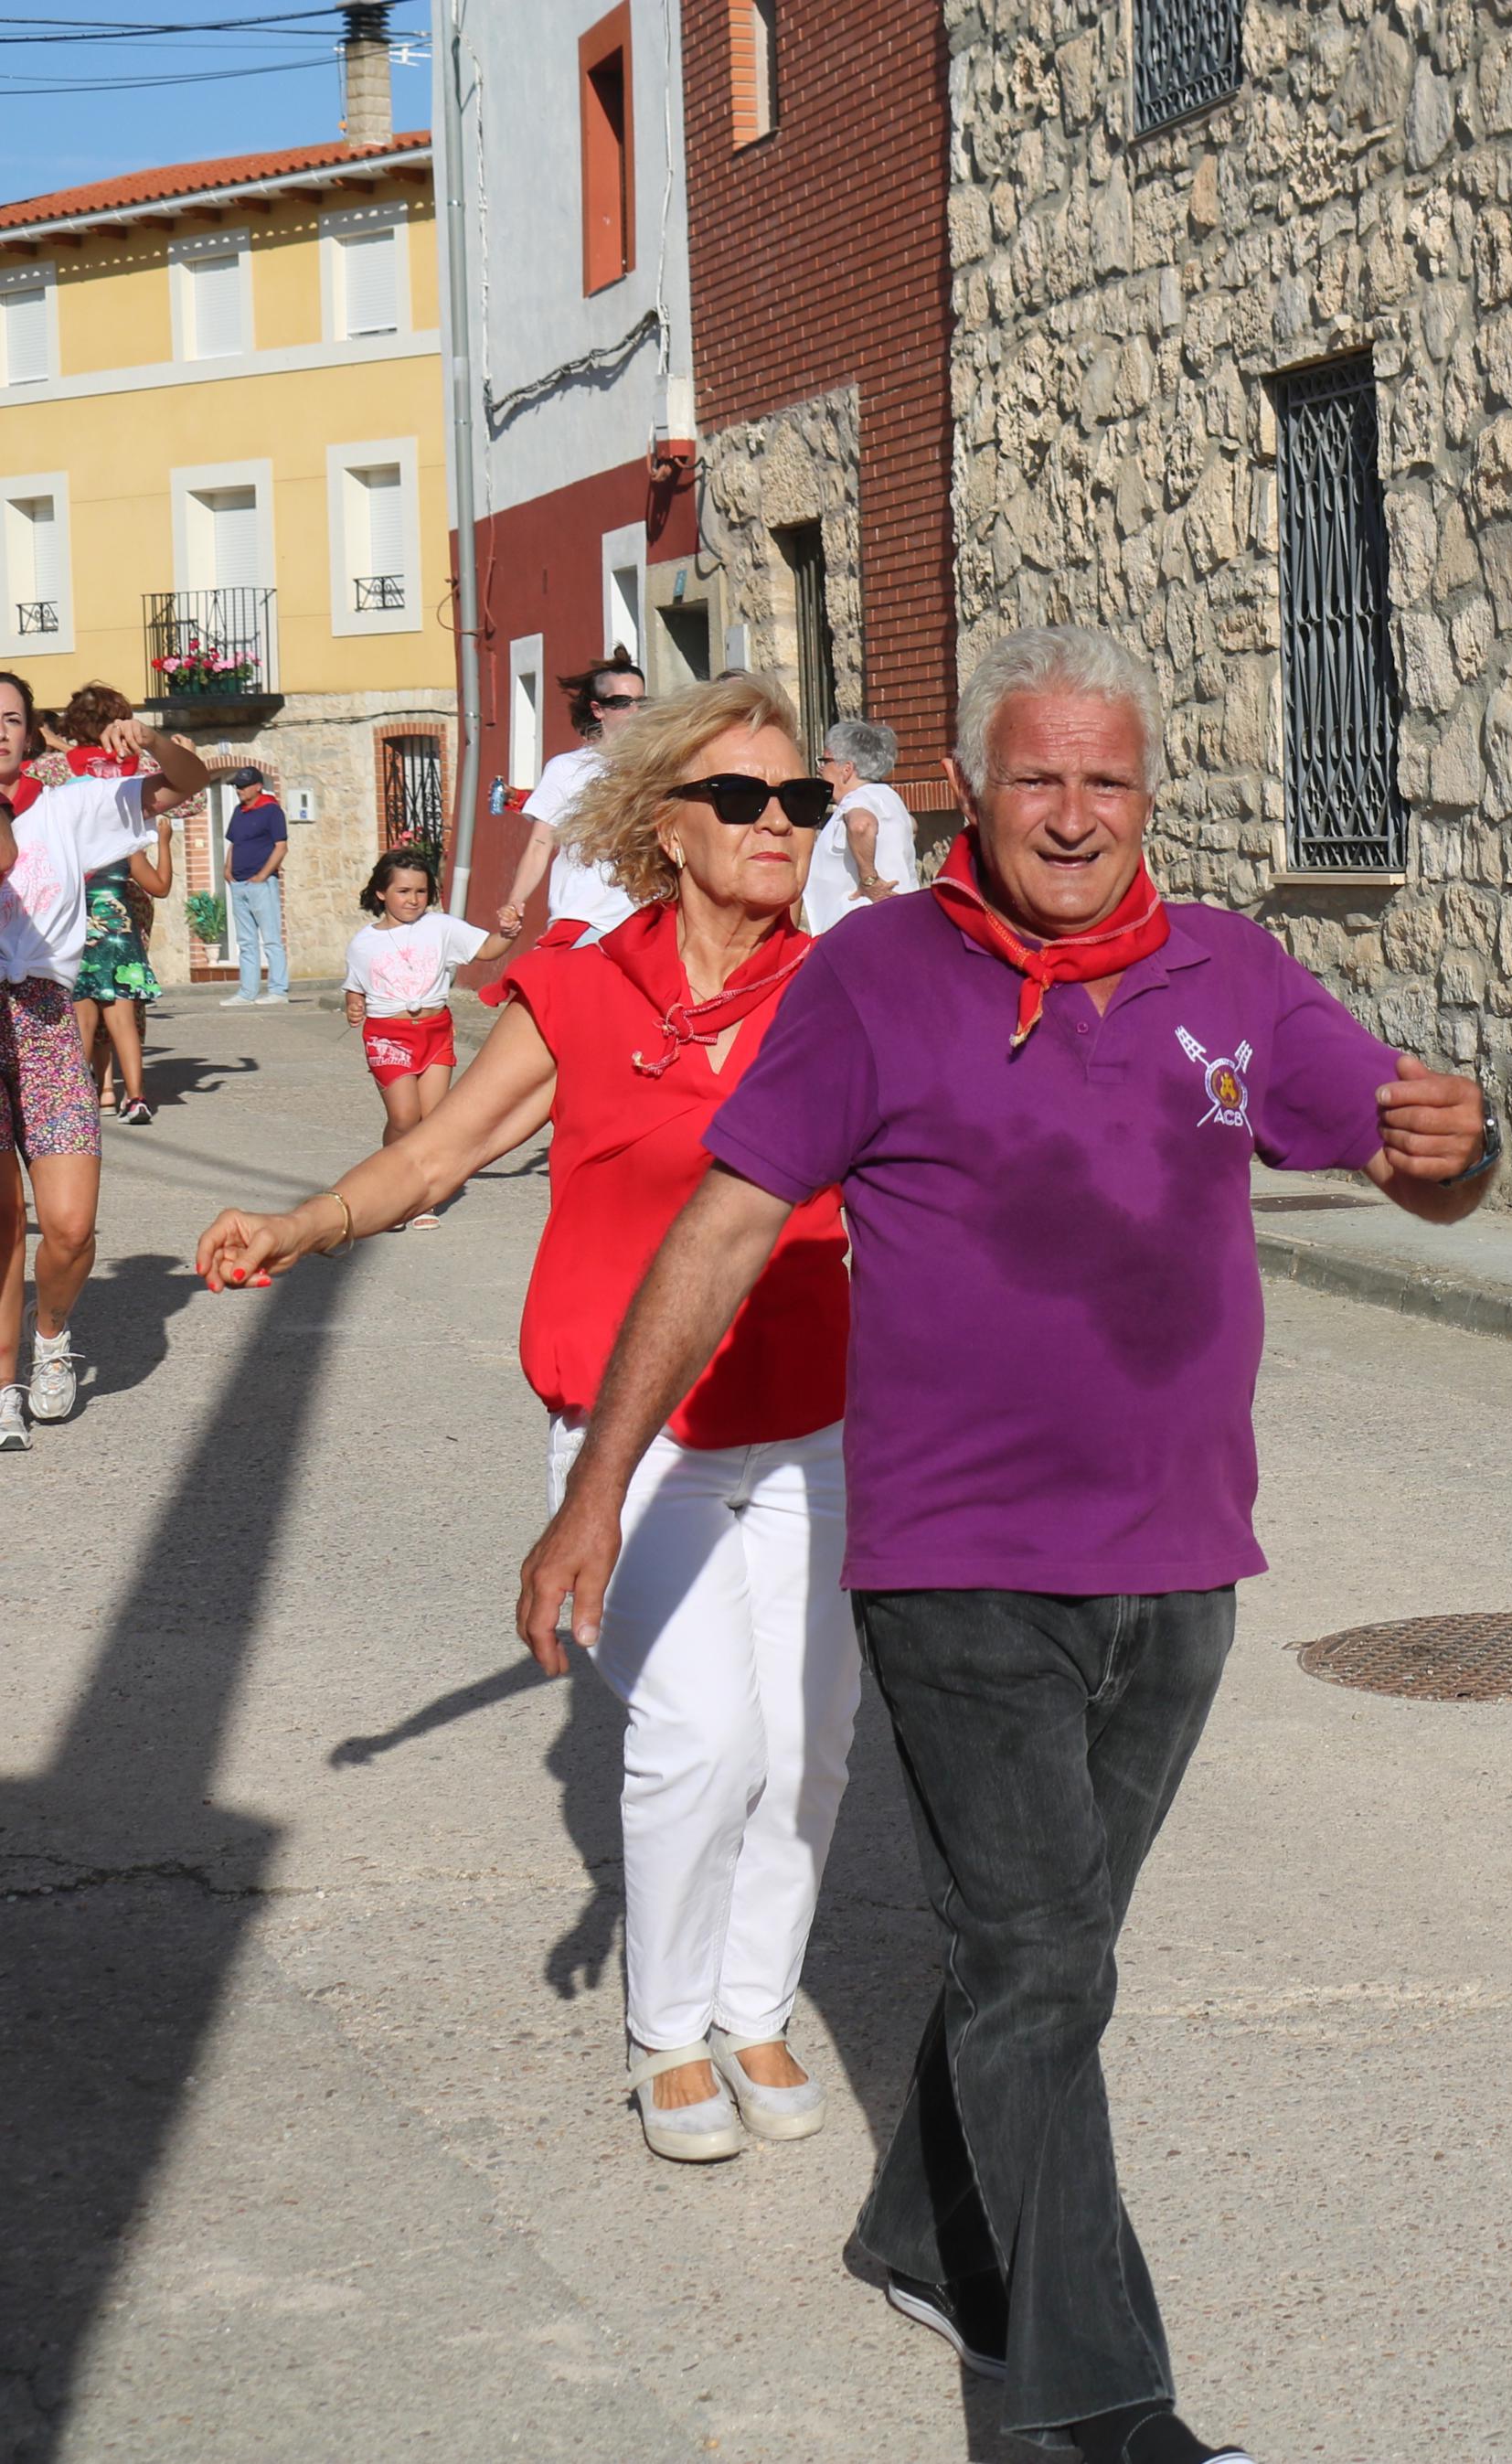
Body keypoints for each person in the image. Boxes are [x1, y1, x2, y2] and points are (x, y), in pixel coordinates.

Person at [516, 624, 1495, 2464]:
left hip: (1184, 1561)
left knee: (1047, 1958)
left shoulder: (1228, 969)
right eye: (1037, 776)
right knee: (1041, 1967)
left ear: (1146, 795)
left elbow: (1405, 1155)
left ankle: (913, 2230)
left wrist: (1454, 1147)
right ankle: (1094, 2406)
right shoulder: (877, 975)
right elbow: (725, 1229)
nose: (1072, 813)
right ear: (972, 787)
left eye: (1105, 779)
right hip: (956, 1561)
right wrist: (596, 1487)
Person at [199, 676, 860, 2164]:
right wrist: (303, 1224)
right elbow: (437, 1155)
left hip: (812, 1433)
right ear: (663, 827)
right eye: (745, 799)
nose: (781, 826)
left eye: (802, 801)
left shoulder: (839, 994)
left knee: (811, 1742)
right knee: (700, 1735)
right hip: (640, 1448)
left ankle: (756, 2004)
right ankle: (669, 2027)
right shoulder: (580, 985)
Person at [0, 677, 210, 1448]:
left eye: (13, 718)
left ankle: (50, 1333)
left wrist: (148, 740)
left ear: (34, 733)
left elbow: (188, 783)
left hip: (49, 1018)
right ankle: (3, 1385)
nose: (0, 730)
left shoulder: (69, 807)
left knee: (70, 1226)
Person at [346, 846, 513, 1160]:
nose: (413, 899)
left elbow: (488, 948)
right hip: (388, 1035)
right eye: (404, 891)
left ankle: (423, 1192)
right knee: (405, 1117)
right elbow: (355, 987)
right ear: (381, 892)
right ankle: (390, 1171)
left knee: (435, 1119)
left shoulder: (441, 927)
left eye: (421, 891)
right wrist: (353, 1003)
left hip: (435, 1033)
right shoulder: (363, 943)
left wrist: (508, 933)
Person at [498, 655, 650, 948]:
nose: (635, 711)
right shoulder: (566, 769)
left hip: (645, 914)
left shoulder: (660, 765)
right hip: (585, 918)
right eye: (622, 703)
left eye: (642, 702)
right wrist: (516, 901)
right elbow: (540, 844)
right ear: (598, 710)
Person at [73, 801, 168, 1127]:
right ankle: (137, 1099)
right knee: (124, 1026)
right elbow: (160, 887)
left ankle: (79, 1104)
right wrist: (165, 843)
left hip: (80, 939)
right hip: (120, 941)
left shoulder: (70, 842)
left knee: (82, 1026)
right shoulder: (125, 847)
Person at [806, 718, 919, 931]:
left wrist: (870, 881)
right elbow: (912, 825)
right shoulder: (888, 797)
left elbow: (862, 825)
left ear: (847, 769)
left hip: (862, 926)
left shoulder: (856, 800)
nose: (821, 770)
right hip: (894, 921)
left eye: (825, 761)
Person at [221, 766, 292, 1003]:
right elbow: (234, 843)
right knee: (245, 941)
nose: (238, 790)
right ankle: (247, 991)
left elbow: (281, 846)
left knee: (271, 938)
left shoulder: (272, 811)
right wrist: (227, 868)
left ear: (258, 786)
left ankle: (278, 990)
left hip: (261, 885)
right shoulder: (238, 811)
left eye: (243, 785)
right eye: (237, 786)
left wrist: (263, 875)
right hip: (238, 883)